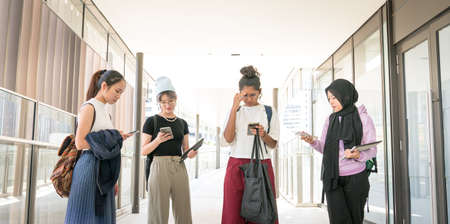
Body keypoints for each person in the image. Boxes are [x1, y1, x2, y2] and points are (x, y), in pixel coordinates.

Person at [301, 79, 377, 224]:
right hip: (332, 177)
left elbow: (372, 149)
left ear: (345, 95)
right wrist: (312, 142)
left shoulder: (363, 119)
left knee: (355, 220)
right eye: (329, 98)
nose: (331, 102)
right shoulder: (330, 120)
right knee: (337, 220)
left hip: (356, 178)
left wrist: (359, 155)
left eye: (334, 97)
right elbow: (325, 148)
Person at [65, 69, 132, 224]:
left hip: (104, 170)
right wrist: (113, 135)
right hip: (89, 168)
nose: (118, 96)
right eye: (117, 91)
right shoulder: (89, 107)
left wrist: (116, 136)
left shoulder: (105, 112)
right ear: (104, 86)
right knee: (86, 217)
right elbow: (80, 142)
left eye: (121, 93)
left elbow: (103, 140)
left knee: (101, 218)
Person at [221, 65, 280, 224]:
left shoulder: (269, 111)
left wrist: (263, 134)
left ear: (259, 92)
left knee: (263, 214)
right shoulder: (236, 111)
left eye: (253, 95)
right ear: (239, 94)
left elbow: (273, 143)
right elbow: (228, 138)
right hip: (236, 165)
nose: (248, 99)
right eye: (245, 95)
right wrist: (234, 108)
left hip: (261, 164)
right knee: (233, 215)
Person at [141, 76, 197, 224]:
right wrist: (158, 140)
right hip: (159, 166)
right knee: (158, 210)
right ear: (159, 102)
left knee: (183, 208)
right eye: (164, 102)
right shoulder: (151, 121)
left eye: (170, 101)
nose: (167, 105)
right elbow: (144, 150)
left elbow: (185, 148)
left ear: (176, 99)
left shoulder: (182, 123)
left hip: (179, 165)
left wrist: (191, 153)